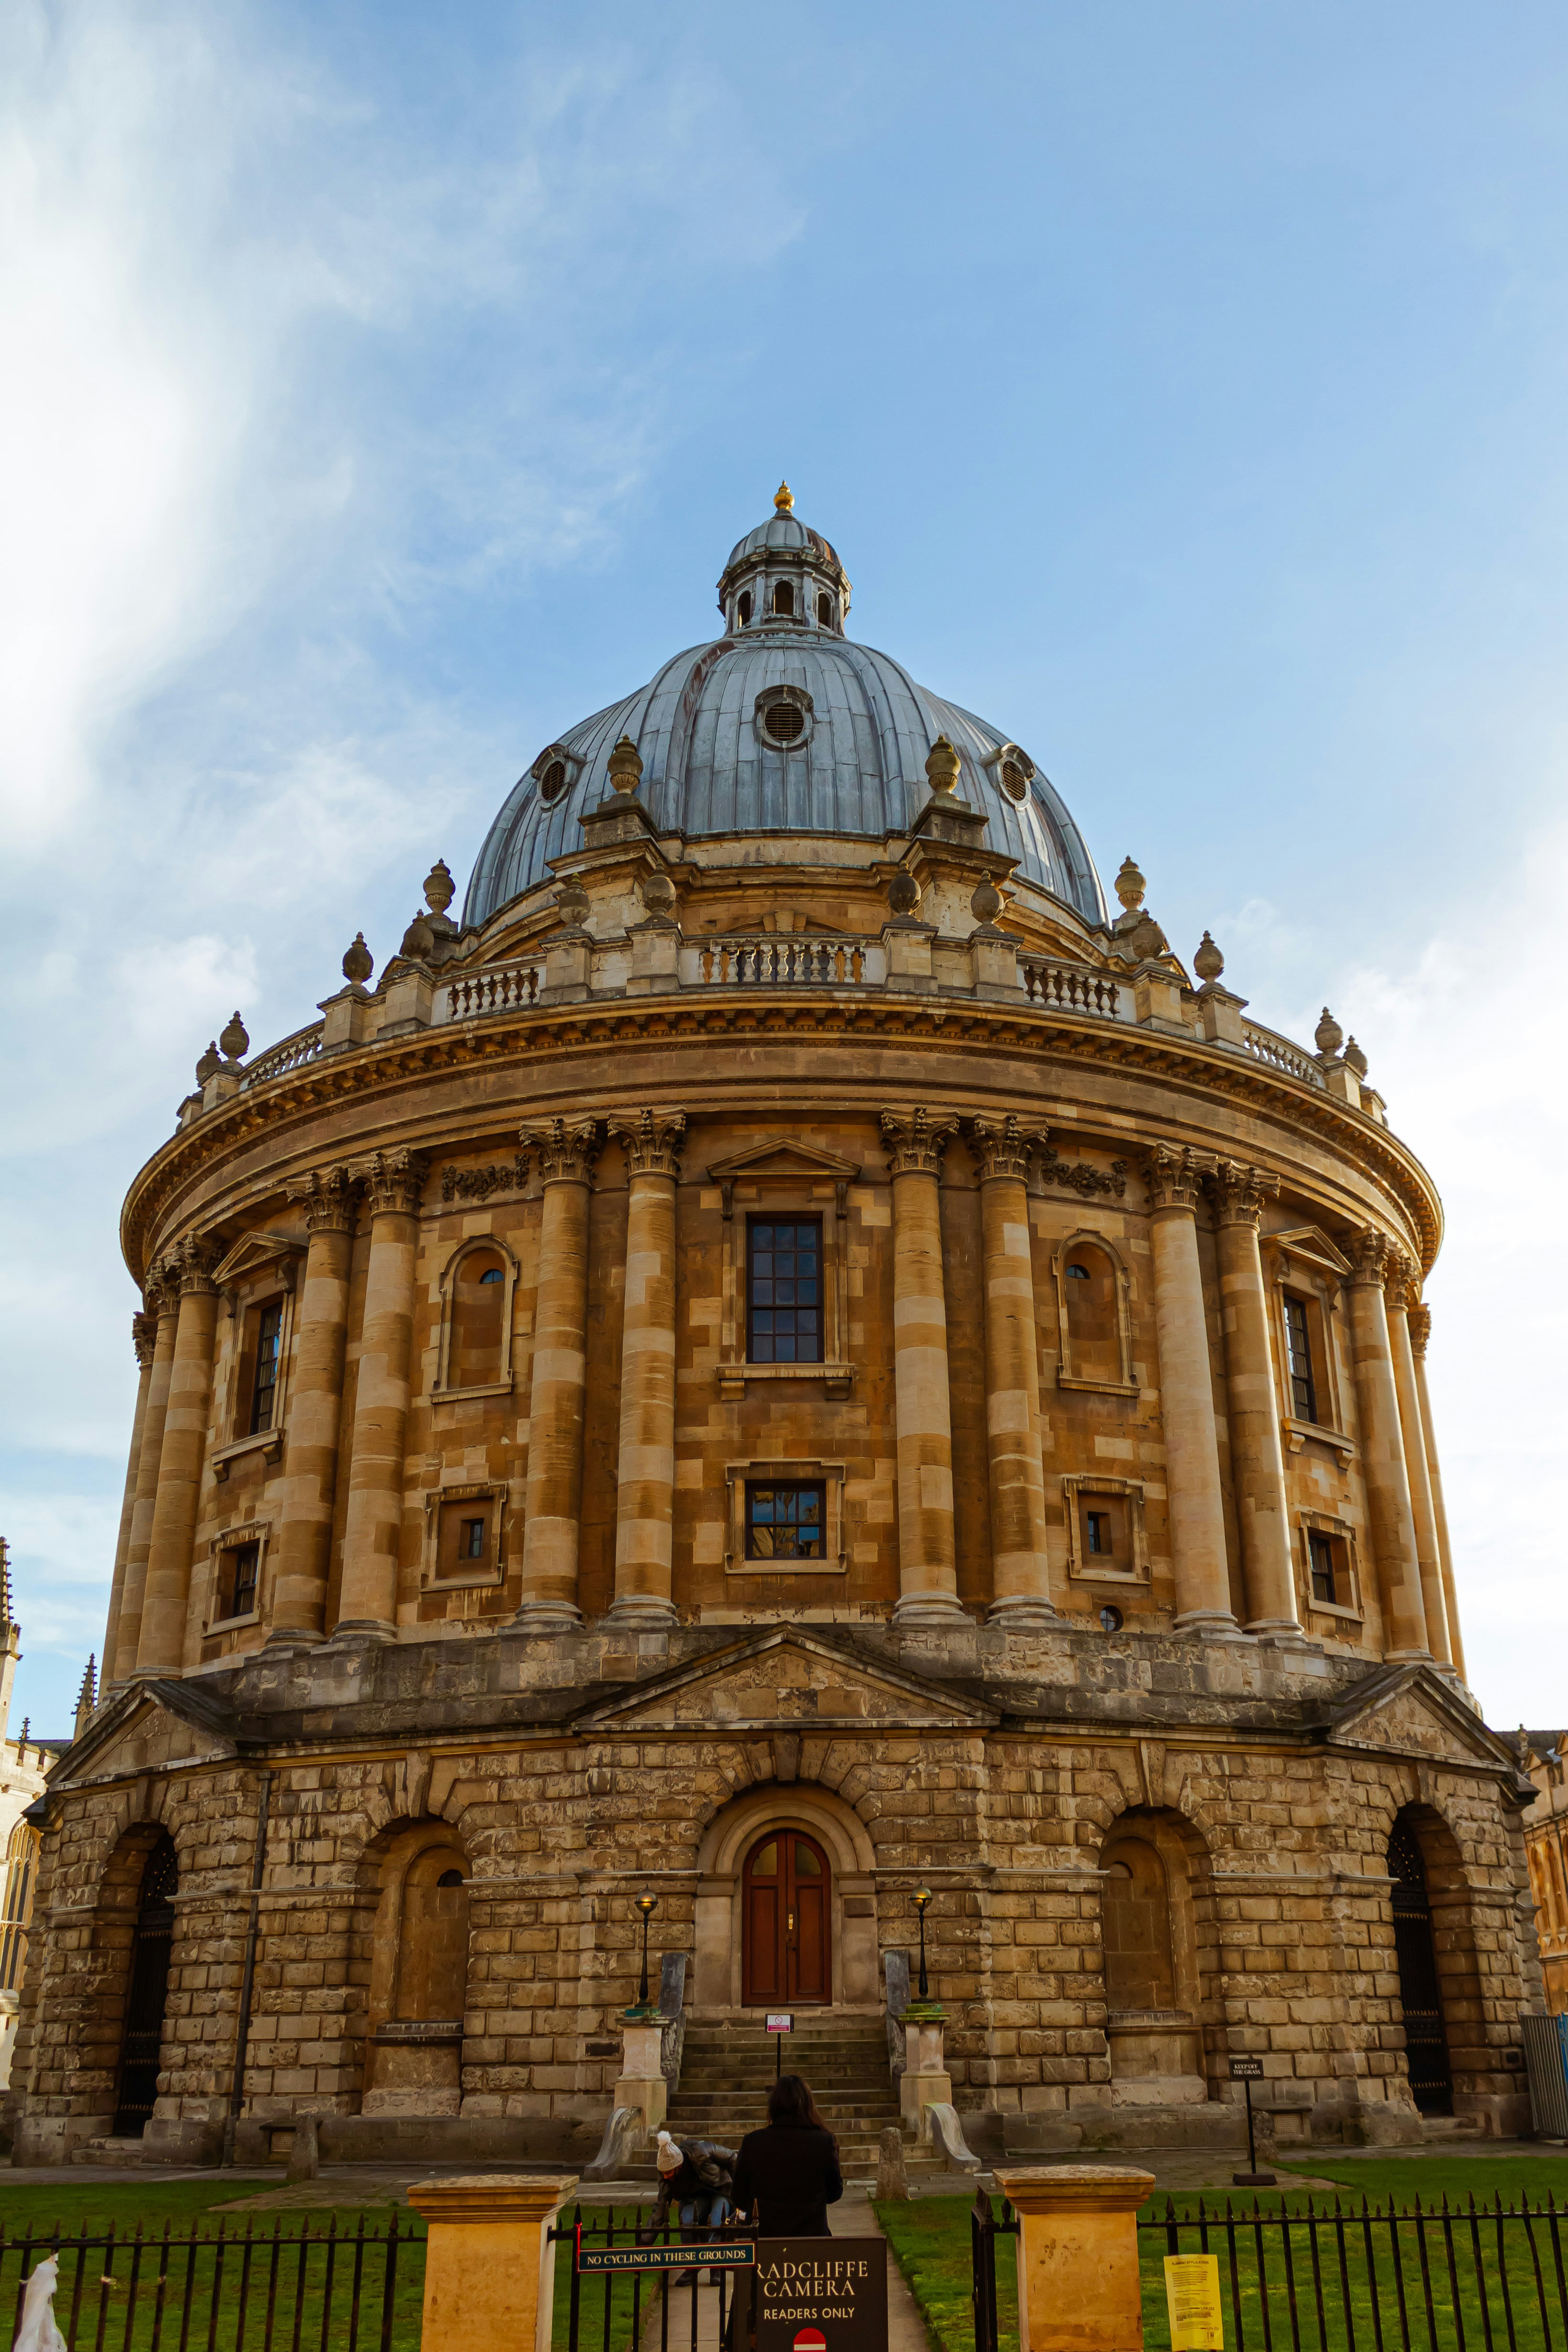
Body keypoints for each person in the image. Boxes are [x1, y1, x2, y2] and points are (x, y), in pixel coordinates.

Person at [732, 2074, 843, 2237]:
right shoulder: (824, 2141)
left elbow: (738, 2197)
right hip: (811, 2239)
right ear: (807, 2105)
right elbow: (835, 2193)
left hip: (764, 2238)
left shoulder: (753, 2142)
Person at [651, 2129, 739, 2272]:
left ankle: (716, 2268)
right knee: (686, 2223)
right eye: (663, 2173)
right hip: (696, 2198)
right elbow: (660, 2208)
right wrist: (643, 2244)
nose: (666, 2177)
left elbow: (732, 2158)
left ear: (678, 2166)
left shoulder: (702, 2151)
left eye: (668, 2173)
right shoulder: (666, 2179)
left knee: (718, 2223)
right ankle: (692, 2267)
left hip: (720, 2190)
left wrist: (737, 2190)